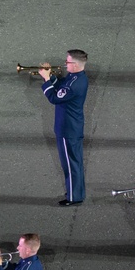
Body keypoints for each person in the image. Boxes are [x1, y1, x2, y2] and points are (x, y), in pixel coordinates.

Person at [39, 49, 89, 205]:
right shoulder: (75, 77)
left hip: (67, 129)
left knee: (70, 164)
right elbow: (61, 87)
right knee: (75, 163)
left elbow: (54, 97)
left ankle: (74, 197)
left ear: (74, 64)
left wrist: (46, 79)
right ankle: (77, 192)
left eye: (67, 62)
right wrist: (52, 77)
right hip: (72, 127)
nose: (65, 64)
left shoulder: (74, 84)